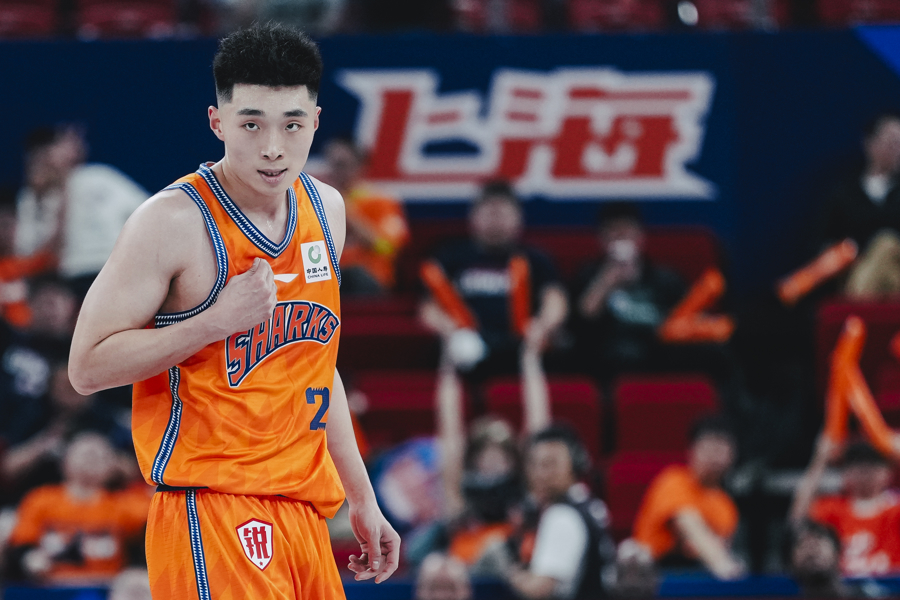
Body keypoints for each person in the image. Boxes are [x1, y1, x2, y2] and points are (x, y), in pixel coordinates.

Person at [68, 23, 399, 599]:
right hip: (211, 509)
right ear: (217, 122)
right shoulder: (171, 222)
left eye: (291, 124)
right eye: (251, 124)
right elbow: (87, 366)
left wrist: (363, 499)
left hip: (304, 512)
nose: (272, 146)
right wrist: (212, 322)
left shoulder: (328, 210)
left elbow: (317, 368)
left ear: (315, 122)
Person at [419, 180, 567, 385]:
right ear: (473, 216)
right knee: (448, 353)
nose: (495, 220)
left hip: (520, 341)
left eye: (502, 214)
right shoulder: (450, 256)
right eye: (489, 213)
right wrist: (449, 330)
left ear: (518, 218)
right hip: (467, 341)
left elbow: (555, 300)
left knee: (544, 351)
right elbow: (428, 307)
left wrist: (542, 326)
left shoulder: (535, 258)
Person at [15, 125, 148, 299]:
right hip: (71, 279)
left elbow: (146, 211)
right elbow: (33, 254)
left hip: (117, 267)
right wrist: (56, 193)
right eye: (40, 156)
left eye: (51, 151)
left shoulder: (98, 176)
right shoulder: (32, 199)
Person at [5, 433, 149, 586]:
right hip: (50, 587)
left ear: (112, 466)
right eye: (84, 454)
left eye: (99, 456)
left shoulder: (124, 504)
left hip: (105, 587)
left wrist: (132, 474)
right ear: (64, 461)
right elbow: (22, 543)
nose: (90, 460)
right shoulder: (40, 499)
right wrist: (30, 559)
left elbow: (152, 519)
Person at [571, 202, 685, 382]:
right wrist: (607, 281)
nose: (621, 237)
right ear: (601, 239)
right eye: (613, 232)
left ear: (641, 237)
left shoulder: (665, 278)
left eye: (627, 231)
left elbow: (683, 324)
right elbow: (582, 321)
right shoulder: (588, 275)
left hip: (656, 354)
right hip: (606, 356)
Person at [504, 425, 615, 600]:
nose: (541, 474)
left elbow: (540, 589)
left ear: (576, 464)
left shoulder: (561, 516)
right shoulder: (592, 505)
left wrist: (509, 573)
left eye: (550, 464)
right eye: (535, 465)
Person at [630, 416, 743, 580]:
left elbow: (721, 545)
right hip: (655, 575)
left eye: (721, 450)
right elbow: (689, 525)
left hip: (700, 577)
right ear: (691, 451)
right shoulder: (673, 481)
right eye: (709, 449)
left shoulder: (725, 504)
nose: (715, 457)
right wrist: (723, 565)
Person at [817, 112, 900, 299]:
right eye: (892, 142)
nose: (897, 150)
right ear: (870, 144)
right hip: (855, 269)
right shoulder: (844, 192)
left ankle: (857, 302)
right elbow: (821, 241)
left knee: (887, 243)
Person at [791, 437, 900, 577]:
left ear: (889, 471)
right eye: (856, 464)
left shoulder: (896, 510)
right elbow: (797, 524)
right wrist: (820, 460)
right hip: (839, 587)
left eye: (873, 463)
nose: (864, 470)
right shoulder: (831, 509)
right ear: (845, 472)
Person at [321, 136, 410, 295]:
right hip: (328, 275)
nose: (335, 171)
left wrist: (346, 210)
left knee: (350, 276)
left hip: (368, 277)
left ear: (360, 166)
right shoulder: (317, 202)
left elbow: (388, 247)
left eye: (342, 165)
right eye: (331, 164)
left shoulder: (382, 201)